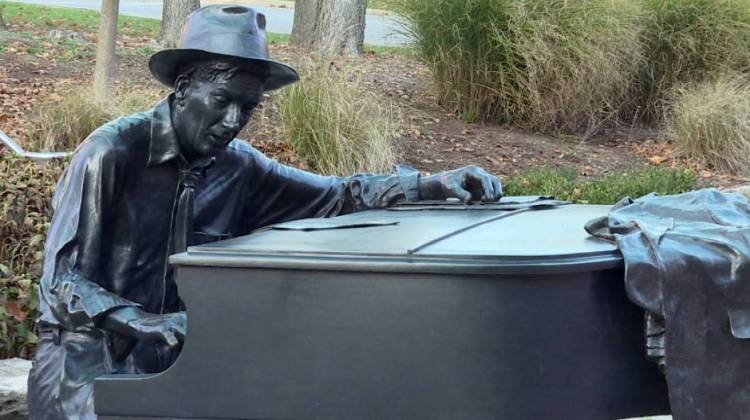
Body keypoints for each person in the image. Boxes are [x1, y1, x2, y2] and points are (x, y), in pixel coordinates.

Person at [26, 5, 502, 419]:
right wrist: (144, 322)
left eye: (248, 109)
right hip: (84, 355)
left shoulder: (241, 167)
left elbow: (338, 195)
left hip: (178, 356)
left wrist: (427, 184)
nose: (232, 122)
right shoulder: (110, 153)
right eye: (222, 102)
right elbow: (62, 280)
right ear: (185, 86)